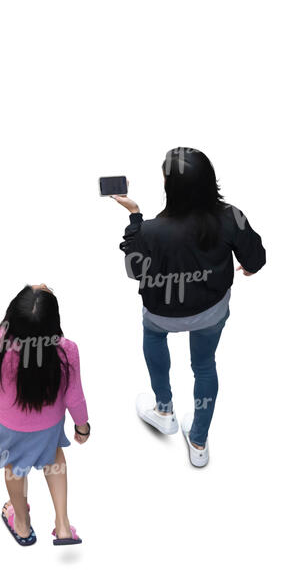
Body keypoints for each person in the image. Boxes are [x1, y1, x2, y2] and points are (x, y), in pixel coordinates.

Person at [113, 148, 266, 467]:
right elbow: (255, 259)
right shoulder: (231, 216)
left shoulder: (152, 230)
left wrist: (135, 215)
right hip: (210, 311)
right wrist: (248, 267)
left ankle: (164, 410)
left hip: (161, 315)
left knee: (153, 338)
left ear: (170, 186)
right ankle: (198, 442)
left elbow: (134, 271)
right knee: (205, 365)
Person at [0, 285, 90, 547]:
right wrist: (82, 426)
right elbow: (73, 396)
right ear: (53, 322)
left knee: (14, 469)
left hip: (6, 426)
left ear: (13, 317)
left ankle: (21, 523)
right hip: (48, 428)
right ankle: (63, 525)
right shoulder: (67, 351)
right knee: (54, 459)